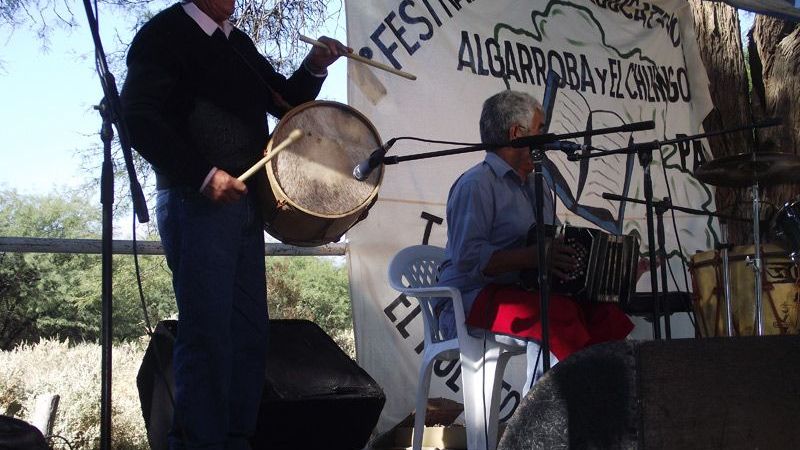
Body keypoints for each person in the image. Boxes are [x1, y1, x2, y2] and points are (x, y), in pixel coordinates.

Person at [120, 1, 348, 448]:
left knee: (247, 332)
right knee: (207, 334)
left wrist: (315, 66)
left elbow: (285, 102)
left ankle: (236, 437)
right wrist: (202, 175)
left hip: (243, 203)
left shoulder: (236, 42)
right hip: (195, 200)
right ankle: (197, 442)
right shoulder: (163, 34)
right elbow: (138, 116)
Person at [436, 90, 634, 394]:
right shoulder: (476, 184)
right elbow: (468, 259)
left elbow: (549, 248)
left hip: (519, 290)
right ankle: (539, 427)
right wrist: (533, 257)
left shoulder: (538, 184)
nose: (547, 137)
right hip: (469, 298)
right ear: (517, 133)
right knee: (556, 316)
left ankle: (600, 411)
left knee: (604, 314)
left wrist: (610, 270)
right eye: (541, 129)